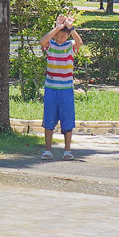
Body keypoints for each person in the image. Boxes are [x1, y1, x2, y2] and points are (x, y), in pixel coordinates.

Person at [38, 13, 83, 161]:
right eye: (58, 35)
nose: (60, 38)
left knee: (67, 120)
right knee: (49, 119)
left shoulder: (70, 46)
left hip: (66, 90)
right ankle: (48, 149)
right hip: (51, 88)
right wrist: (57, 28)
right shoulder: (50, 44)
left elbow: (79, 42)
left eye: (63, 36)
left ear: (67, 36)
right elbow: (42, 41)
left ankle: (67, 150)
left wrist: (71, 28)